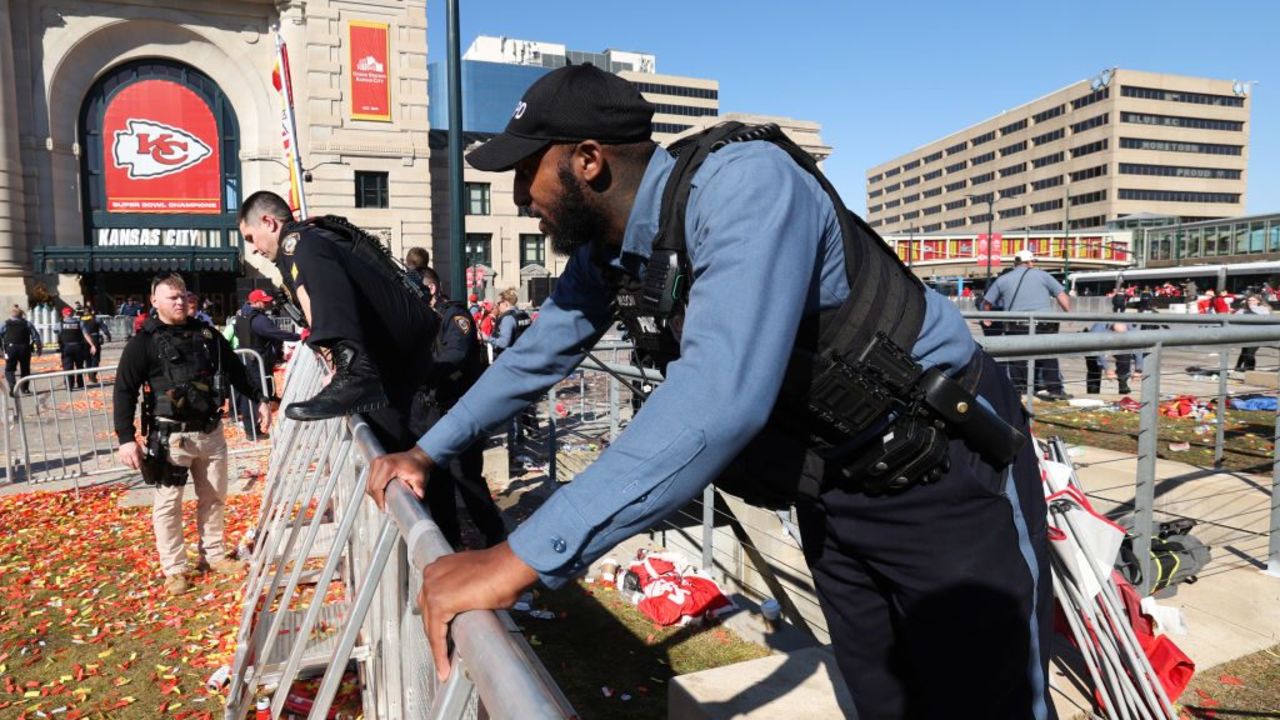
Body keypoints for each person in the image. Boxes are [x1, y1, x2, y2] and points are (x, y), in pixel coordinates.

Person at [364, 65, 1052, 719]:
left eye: (525, 170)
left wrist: (519, 558)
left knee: (987, 704)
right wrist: (426, 452)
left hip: (942, 474)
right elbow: (537, 355)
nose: (518, 196)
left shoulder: (745, 185)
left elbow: (719, 397)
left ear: (587, 160)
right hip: (834, 489)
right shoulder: (616, 248)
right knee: (881, 701)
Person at [236, 191, 438, 450]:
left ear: (268, 222)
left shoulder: (300, 243)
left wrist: (349, 372)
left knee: (422, 466)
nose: (252, 248)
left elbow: (319, 303)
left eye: (251, 237)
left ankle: (354, 373)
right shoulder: (306, 243)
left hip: (397, 372)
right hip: (395, 369)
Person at [114, 272, 271, 595]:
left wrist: (260, 400)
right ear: (154, 301)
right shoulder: (143, 344)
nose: (180, 301)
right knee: (168, 504)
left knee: (214, 497)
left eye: (183, 295)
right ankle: (174, 569)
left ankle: (213, 555)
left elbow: (237, 371)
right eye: (172, 297)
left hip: (211, 434)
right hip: (171, 439)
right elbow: (124, 391)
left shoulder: (207, 335)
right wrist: (125, 438)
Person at [411, 267, 506, 549]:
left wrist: (422, 372)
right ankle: (449, 544)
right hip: (430, 409)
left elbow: (456, 353)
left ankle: (494, 535)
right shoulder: (419, 318)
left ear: (430, 289)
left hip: (457, 408)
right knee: (438, 481)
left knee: (465, 476)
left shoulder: (454, 315)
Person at [982, 249, 1072, 400]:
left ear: (1015, 263)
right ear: (1030, 262)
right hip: (1044, 323)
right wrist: (1069, 314)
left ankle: (1018, 390)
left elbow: (987, 302)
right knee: (1049, 355)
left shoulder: (1003, 279)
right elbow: (1061, 295)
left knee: (1018, 357)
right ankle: (1054, 389)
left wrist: (987, 317)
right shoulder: (1043, 275)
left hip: (1016, 324)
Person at [233, 289, 301, 439]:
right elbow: (275, 333)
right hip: (255, 360)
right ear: (255, 302)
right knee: (253, 394)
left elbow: (238, 333)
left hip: (246, 356)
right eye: (264, 301)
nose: (267, 303)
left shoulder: (241, 314)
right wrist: (298, 336)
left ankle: (252, 428)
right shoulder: (258, 319)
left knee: (249, 393)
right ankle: (253, 430)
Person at [1083, 322, 1133, 395]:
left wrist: (1139, 369)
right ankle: (1093, 393)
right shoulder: (1098, 329)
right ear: (1112, 330)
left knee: (1125, 355)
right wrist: (1107, 368)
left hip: (1115, 342)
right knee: (1094, 366)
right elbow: (1098, 352)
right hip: (1095, 345)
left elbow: (1138, 348)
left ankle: (1123, 381)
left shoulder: (1129, 327)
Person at [1, 306, 41, 394]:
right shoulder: (27, 323)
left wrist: (1, 350)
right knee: (25, 369)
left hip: (10, 349)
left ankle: (12, 386)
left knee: (9, 369)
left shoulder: (5, 324)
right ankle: (25, 389)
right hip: (24, 349)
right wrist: (39, 349)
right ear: (21, 314)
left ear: (11, 314)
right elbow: (36, 336)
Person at [57, 306, 96, 391]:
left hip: (66, 347)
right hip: (78, 347)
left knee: (68, 367)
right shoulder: (79, 323)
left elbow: (56, 331)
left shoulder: (60, 323)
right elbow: (86, 334)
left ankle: (69, 385)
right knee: (79, 366)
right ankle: (80, 384)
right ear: (72, 314)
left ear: (63, 314)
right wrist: (92, 345)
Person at [1235, 294, 1271, 372]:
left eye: (1253, 300)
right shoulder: (1243, 310)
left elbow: (1264, 317)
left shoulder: (1263, 309)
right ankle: (1238, 367)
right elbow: (1234, 318)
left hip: (1258, 335)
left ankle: (1249, 370)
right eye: (1249, 300)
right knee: (1244, 351)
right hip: (1245, 334)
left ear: (1258, 301)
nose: (1250, 302)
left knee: (1250, 353)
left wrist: (1252, 308)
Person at [490, 288, 531, 356]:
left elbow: (504, 343)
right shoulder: (525, 315)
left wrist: (487, 338)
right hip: (523, 355)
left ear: (506, 303)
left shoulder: (508, 318)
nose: (498, 306)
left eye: (499, 303)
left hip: (509, 358)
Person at [80, 304, 112, 383]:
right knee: (95, 358)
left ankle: (90, 373)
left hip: (84, 340)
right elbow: (104, 328)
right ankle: (93, 374)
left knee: (87, 359)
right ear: (92, 311)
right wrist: (108, 335)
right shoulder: (96, 319)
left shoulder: (81, 320)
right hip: (94, 339)